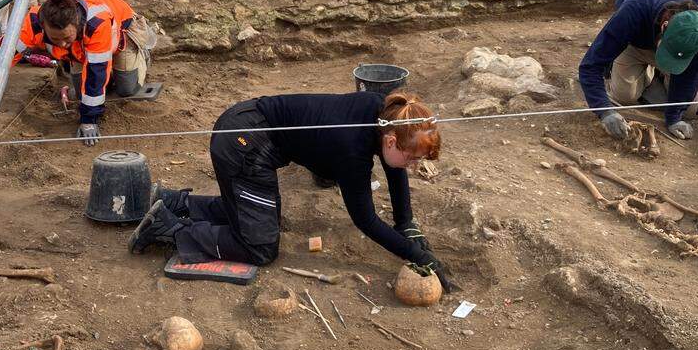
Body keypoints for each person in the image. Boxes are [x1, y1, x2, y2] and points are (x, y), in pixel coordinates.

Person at [128, 91, 454, 289]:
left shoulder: (383, 113)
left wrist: (406, 222)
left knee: (257, 215)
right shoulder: (352, 150)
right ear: (392, 140)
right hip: (245, 145)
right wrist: (416, 254)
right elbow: (366, 220)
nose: (411, 167)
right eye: (412, 158)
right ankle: (169, 230)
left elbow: (394, 165)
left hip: (245, 125)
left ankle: (174, 202)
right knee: (260, 247)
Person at [0, 0, 152, 147]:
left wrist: (89, 119)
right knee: (83, 93)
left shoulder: (96, 25)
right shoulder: (33, 23)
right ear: (43, 26)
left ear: (78, 25)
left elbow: (97, 71)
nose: (61, 43)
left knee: (126, 89)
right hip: (80, 49)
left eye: (66, 38)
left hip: (121, 34)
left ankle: (141, 56)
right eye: (55, 39)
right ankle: (82, 65)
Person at [578, 0, 698, 141]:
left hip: (683, 54)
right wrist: (604, 111)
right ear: (664, 25)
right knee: (624, 96)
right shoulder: (633, 11)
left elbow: (696, 66)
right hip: (637, 44)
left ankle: (661, 78)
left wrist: (674, 117)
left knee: (691, 111)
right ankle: (648, 74)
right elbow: (590, 66)